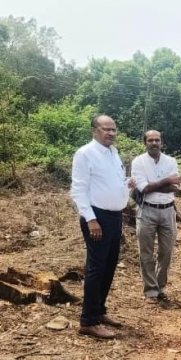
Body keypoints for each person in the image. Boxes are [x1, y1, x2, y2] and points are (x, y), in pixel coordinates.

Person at [70, 115, 133, 339]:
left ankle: (99, 310)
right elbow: (78, 189)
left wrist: (127, 185)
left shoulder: (113, 153)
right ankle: (88, 321)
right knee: (96, 268)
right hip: (97, 218)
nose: (111, 133)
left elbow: (112, 183)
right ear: (94, 131)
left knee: (109, 265)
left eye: (114, 129)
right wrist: (91, 219)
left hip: (115, 217)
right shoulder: (85, 153)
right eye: (106, 129)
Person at [131, 130, 181, 304]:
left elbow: (175, 187)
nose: (154, 143)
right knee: (146, 252)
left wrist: (156, 185)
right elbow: (143, 188)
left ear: (161, 142)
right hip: (147, 210)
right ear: (145, 143)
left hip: (168, 210)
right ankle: (150, 290)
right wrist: (167, 181)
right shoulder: (138, 162)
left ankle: (160, 287)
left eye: (157, 140)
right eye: (150, 140)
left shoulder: (171, 161)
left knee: (166, 252)